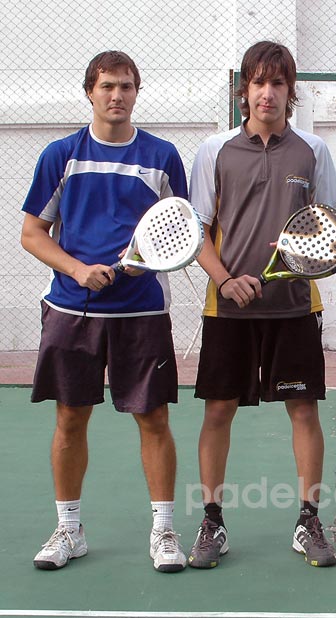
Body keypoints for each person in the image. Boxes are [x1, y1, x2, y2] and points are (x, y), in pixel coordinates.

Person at [21, 51, 188, 572]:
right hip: (73, 311)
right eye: (108, 86)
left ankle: (163, 532)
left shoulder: (162, 156)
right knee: (70, 418)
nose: (117, 96)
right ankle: (69, 530)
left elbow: (180, 230)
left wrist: (143, 266)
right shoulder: (60, 155)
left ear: (137, 92)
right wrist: (75, 269)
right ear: (90, 92)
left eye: (127, 87)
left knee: (153, 417)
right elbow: (32, 234)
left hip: (140, 313)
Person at [187, 41, 336, 569]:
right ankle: (211, 522)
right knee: (219, 410)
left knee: (304, 409)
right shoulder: (215, 150)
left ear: (290, 91)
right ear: (244, 91)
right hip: (227, 310)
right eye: (258, 82)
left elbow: (330, 229)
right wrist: (226, 280)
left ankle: (308, 520)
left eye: (277, 83)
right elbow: (198, 233)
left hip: (295, 307)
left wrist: (302, 259)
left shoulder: (314, 151)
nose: (268, 93)